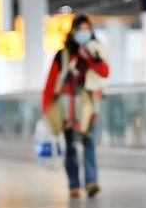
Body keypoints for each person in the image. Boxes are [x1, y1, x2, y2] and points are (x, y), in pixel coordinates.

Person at [42, 14, 109, 198]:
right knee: (70, 145)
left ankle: (91, 181)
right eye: (81, 29)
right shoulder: (62, 55)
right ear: (73, 31)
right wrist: (46, 106)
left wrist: (89, 56)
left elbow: (105, 72)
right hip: (67, 106)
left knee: (89, 143)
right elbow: (51, 80)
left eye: (88, 29)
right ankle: (73, 184)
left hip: (89, 106)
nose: (84, 33)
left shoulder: (95, 52)